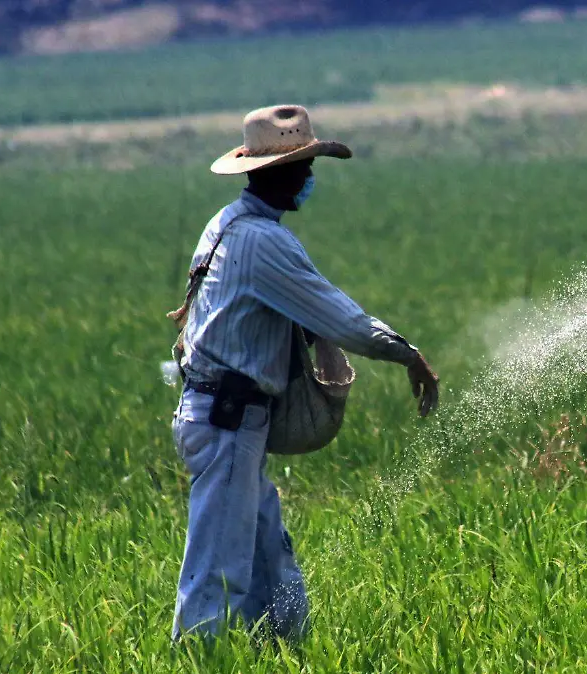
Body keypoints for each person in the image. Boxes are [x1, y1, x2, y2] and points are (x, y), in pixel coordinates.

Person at [170, 104, 439, 642]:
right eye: (302, 165)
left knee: (273, 569)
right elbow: (344, 320)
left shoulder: (228, 224)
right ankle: (198, 656)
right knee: (217, 576)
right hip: (227, 421)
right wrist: (408, 355)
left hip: (230, 420)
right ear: (272, 172)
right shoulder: (263, 242)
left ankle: (286, 654)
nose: (310, 176)